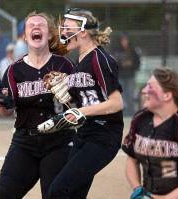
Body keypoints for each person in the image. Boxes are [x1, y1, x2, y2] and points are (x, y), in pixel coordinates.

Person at [0, 11, 74, 199]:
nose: (36, 27)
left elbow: (79, 106)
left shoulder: (65, 66)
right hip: (24, 142)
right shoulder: (13, 70)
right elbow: (7, 111)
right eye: (31, 26)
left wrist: (69, 97)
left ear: (50, 34)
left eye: (41, 25)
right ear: (25, 36)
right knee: (3, 195)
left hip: (58, 142)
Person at [47, 8, 124, 198]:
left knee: (58, 191)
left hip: (104, 135)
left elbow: (116, 103)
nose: (63, 32)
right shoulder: (78, 62)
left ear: (82, 31)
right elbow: (82, 101)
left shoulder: (100, 59)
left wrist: (81, 111)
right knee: (74, 194)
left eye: (67, 28)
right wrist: (64, 91)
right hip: (84, 133)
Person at [122, 67, 178, 199]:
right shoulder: (140, 119)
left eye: (150, 87)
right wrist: (138, 190)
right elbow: (132, 159)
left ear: (167, 95)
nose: (144, 90)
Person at [113, 33, 141, 116]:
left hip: (131, 75)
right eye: (123, 40)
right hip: (121, 76)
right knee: (122, 95)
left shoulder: (133, 50)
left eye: (126, 40)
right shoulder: (117, 51)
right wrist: (122, 64)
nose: (124, 42)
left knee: (130, 94)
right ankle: (124, 113)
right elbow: (114, 62)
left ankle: (131, 113)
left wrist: (131, 65)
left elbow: (137, 62)